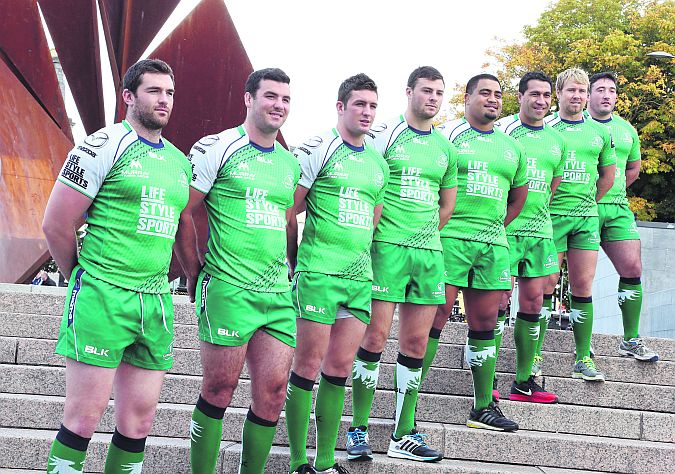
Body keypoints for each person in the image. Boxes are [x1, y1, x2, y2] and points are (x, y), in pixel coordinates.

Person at [42, 59, 191, 473]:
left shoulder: (180, 162)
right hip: (103, 294)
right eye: (154, 91)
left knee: (139, 423)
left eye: (170, 93)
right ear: (129, 96)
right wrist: (80, 276)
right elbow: (56, 223)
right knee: (83, 418)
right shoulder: (102, 144)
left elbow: (182, 227)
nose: (164, 100)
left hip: (155, 301)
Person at [174, 68, 299, 474]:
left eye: (285, 99)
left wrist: (292, 267)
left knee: (274, 393)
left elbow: (286, 219)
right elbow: (185, 210)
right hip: (228, 287)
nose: (278, 105)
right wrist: (195, 271)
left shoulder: (288, 162)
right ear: (248, 98)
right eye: (270, 96)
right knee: (219, 389)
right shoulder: (217, 147)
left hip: (277, 294)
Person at [346, 66, 457, 463]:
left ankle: (403, 432)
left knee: (415, 344)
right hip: (386, 249)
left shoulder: (446, 147)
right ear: (409, 92)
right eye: (426, 90)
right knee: (373, 339)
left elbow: (447, 205)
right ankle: (357, 428)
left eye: (439, 92)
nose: (433, 97)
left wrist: (422, 235)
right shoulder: (383, 135)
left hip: (428, 253)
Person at [284, 73, 389, 474]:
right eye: (359, 104)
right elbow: (288, 210)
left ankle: (326, 462)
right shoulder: (319, 148)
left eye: (373, 106)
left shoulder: (378, 164)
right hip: (317, 274)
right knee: (307, 367)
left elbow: (373, 222)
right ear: (341, 106)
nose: (367, 112)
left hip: (359, 279)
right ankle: (298, 462)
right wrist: (293, 261)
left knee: (339, 369)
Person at [430, 73, 528, 432]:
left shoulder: (510, 146)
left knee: (486, 323)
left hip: (493, 244)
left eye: (497, 94)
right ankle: (406, 409)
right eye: (484, 93)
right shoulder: (447, 135)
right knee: (435, 316)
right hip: (449, 239)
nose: (492, 99)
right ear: (467, 97)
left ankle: (483, 407)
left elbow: (519, 196)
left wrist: (496, 227)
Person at [495, 72, 565, 403]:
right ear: (520, 96)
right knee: (497, 300)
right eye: (534, 94)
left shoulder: (556, 140)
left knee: (535, 301)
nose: (540, 101)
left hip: (540, 231)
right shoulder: (504, 131)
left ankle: (524, 381)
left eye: (546, 95)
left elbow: (553, 184)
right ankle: (488, 374)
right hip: (505, 230)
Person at [542, 68, 617, 381]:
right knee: (544, 287)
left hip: (586, 218)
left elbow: (608, 176)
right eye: (571, 90)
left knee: (583, 288)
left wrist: (587, 202)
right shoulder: (546, 128)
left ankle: (583, 356)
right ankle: (533, 356)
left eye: (582, 91)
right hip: (550, 218)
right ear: (558, 93)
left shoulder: (600, 132)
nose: (577, 96)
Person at [587, 71, 658, 362]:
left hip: (617, 207)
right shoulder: (573, 124)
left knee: (632, 267)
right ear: (588, 94)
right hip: (581, 208)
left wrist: (610, 190)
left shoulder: (627, 129)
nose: (606, 95)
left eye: (612, 90)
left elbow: (633, 169)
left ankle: (630, 339)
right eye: (600, 89)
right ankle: (583, 342)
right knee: (581, 278)